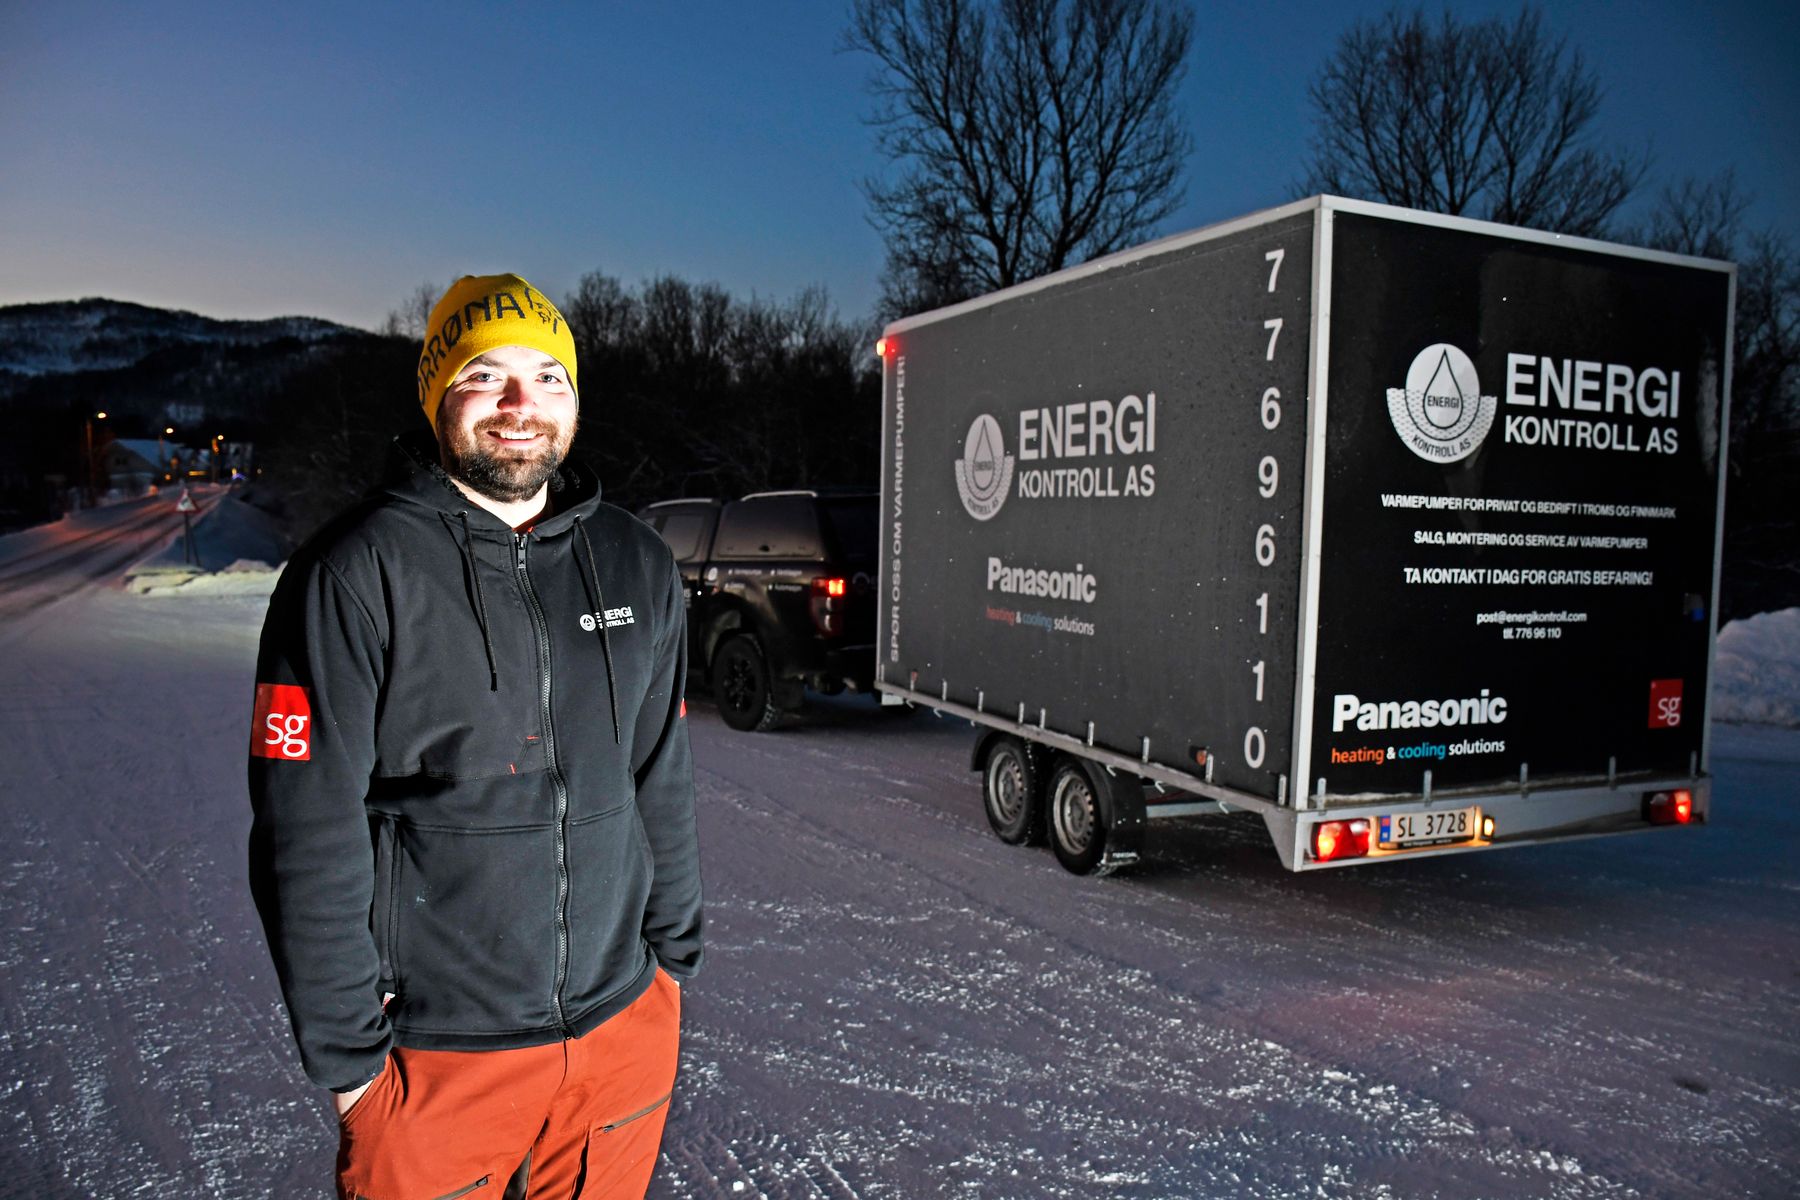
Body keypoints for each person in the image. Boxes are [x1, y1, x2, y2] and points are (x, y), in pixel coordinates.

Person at [247, 273, 702, 1199]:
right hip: (436, 1060)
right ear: (436, 396)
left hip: (622, 1034)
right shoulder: (353, 572)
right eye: (484, 376)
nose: (519, 405)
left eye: (548, 377)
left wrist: (672, 972)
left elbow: (661, 771)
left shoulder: (636, 560)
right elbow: (306, 828)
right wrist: (352, 1075)